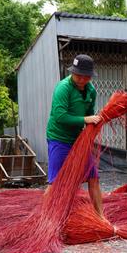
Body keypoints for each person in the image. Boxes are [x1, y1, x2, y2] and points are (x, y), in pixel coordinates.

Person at [46, 54, 105, 219]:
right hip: (59, 138)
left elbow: (89, 115)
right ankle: (45, 219)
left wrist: (93, 127)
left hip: (78, 141)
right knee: (55, 182)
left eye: (85, 76)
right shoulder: (63, 88)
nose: (81, 79)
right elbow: (60, 116)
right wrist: (86, 119)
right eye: (78, 75)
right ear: (72, 72)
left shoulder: (91, 91)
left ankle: (101, 217)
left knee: (93, 177)